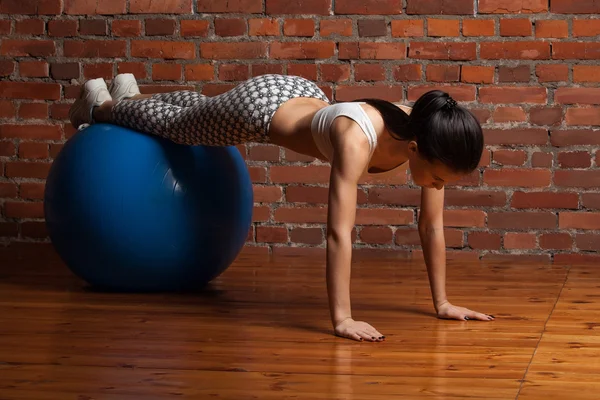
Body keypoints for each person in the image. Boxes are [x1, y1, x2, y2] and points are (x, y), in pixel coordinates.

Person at [69, 73, 495, 343]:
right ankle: (100, 105)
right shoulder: (356, 141)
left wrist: (442, 303)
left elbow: (432, 227)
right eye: (438, 179)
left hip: (301, 94)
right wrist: (342, 318)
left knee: (198, 109)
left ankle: (131, 94)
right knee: (180, 127)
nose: (437, 187)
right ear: (417, 150)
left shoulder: (425, 129)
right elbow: (338, 233)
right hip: (260, 109)